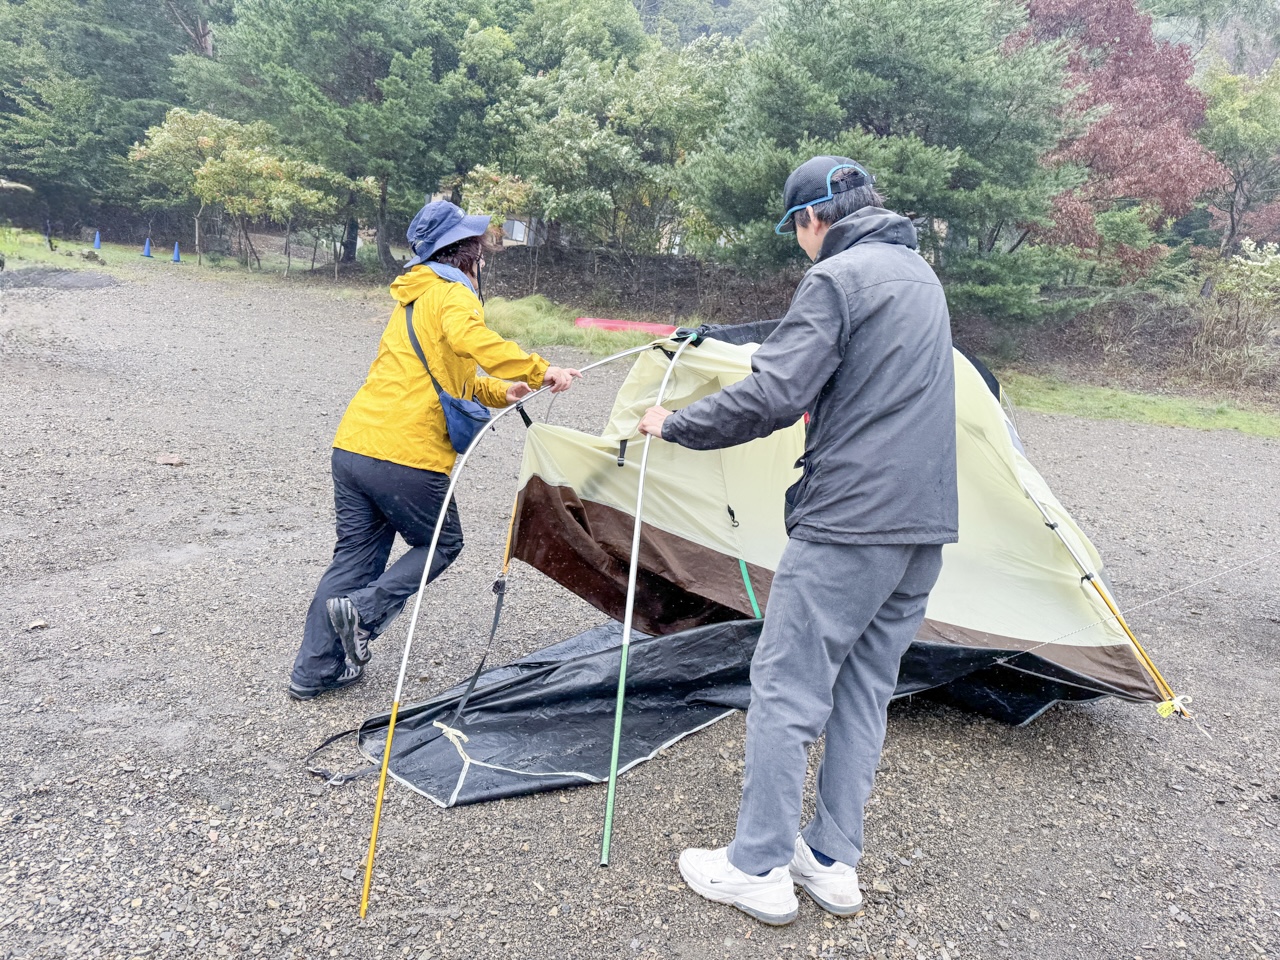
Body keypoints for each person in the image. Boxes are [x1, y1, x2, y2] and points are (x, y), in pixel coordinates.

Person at [637, 157, 958, 925]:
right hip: (924, 529)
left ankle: (756, 867)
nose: (799, 247)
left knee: (785, 689)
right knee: (864, 689)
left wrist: (673, 424)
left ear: (815, 218)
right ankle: (831, 860)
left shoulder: (837, 279)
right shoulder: (921, 276)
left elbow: (777, 392)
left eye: (795, 232)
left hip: (850, 524)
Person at [288, 200, 582, 701]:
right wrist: (539, 370)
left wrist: (502, 392)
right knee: (442, 544)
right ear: (465, 252)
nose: (484, 257)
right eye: (480, 247)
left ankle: (314, 672)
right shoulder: (453, 293)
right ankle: (364, 613)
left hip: (355, 446)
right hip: (406, 456)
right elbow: (476, 340)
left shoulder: (414, 297)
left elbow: (451, 377)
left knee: (354, 559)